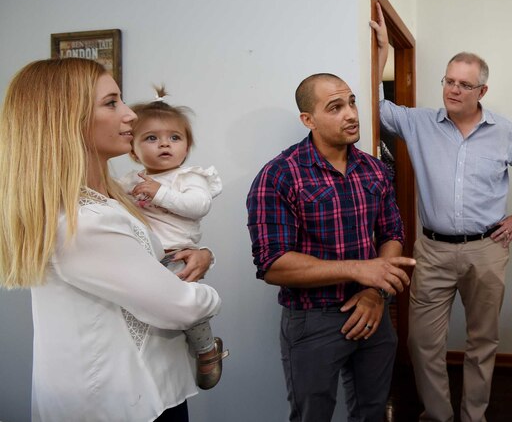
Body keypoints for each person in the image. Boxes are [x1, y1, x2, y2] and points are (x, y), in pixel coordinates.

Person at [0, 58, 221, 422]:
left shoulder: (104, 202)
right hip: (117, 404)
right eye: (111, 103)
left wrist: (201, 254)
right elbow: (179, 307)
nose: (131, 116)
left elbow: (145, 261)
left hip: (144, 391)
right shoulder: (83, 222)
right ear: (67, 119)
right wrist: (209, 296)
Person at [371, 2, 512, 422]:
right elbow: (371, 104)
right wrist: (382, 52)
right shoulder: (417, 123)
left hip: (486, 251)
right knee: (422, 341)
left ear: (482, 91)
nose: (453, 90)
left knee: (483, 341)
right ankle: (439, 416)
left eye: (464, 84)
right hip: (433, 250)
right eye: (449, 81)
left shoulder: (506, 133)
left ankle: (473, 415)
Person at [246, 72, 415, 422]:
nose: (351, 114)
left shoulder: (374, 169)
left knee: (373, 411)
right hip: (313, 320)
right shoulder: (279, 175)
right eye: (335, 107)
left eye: (351, 102)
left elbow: (392, 233)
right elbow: (273, 264)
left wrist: (374, 292)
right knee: (313, 415)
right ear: (308, 119)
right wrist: (358, 268)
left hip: (374, 313)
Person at [117, 86, 229, 390]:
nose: (164, 144)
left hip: (178, 253)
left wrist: (161, 193)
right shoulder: (129, 181)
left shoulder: (189, 177)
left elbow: (198, 206)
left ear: (187, 146)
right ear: (132, 150)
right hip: (143, 255)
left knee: (185, 301)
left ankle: (206, 348)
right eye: (151, 138)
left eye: (174, 138)